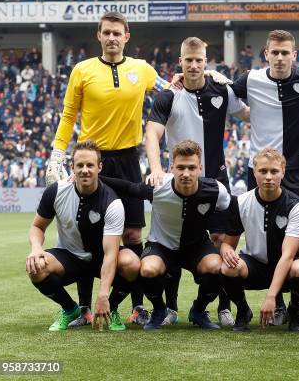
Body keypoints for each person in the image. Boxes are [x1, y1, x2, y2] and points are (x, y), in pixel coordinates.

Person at [46, 12, 170, 327]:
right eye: (107, 33)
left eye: (117, 33)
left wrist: (203, 78)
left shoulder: (141, 69)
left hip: (128, 159)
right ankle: (85, 309)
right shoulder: (82, 70)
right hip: (92, 160)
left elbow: (170, 92)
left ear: (127, 36)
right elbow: (69, 113)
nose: (112, 38)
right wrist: (58, 152)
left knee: (131, 233)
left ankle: (137, 307)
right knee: (88, 237)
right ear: (98, 36)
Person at [230, 30, 299, 325]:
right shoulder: (251, 79)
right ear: (266, 54)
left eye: (284, 52)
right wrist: (245, 114)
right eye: (274, 52)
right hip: (260, 170)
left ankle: (295, 305)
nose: (279, 57)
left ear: (294, 54)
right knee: (262, 238)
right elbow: (224, 94)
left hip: (297, 171)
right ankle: (267, 302)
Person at [145, 36, 249, 327]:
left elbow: (248, 113)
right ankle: (171, 308)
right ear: (180, 61)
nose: (193, 65)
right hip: (179, 181)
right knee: (172, 241)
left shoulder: (221, 90)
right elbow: (151, 134)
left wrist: (229, 81)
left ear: (206, 61)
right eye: (188, 60)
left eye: (199, 60)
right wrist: (156, 170)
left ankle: (223, 307)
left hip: (215, 178)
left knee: (222, 241)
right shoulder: (168, 95)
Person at [99, 140, 231, 330]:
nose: (186, 173)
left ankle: (199, 310)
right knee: (148, 269)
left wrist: (224, 242)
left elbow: (231, 209)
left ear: (200, 168)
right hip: (161, 247)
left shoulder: (215, 189)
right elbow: (128, 188)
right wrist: (97, 177)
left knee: (218, 268)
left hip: (197, 246)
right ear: (171, 168)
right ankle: (159, 309)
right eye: (181, 167)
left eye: (192, 168)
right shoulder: (158, 186)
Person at [26, 140, 140, 331]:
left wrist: (103, 295)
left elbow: (111, 254)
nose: (85, 170)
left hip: (101, 258)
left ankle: (111, 309)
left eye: (90, 165)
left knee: (132, 264)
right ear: (72, 167)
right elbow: (37, 227)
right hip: (70, 257)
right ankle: (70, 309)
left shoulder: (113, 203)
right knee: (35, 267)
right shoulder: (55, 192)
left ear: (99, 167)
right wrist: (36, 248)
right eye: (80, 165)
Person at [220, 148, 299, 332]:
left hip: (285, 268)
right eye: (263, 171)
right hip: (254, 267)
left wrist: (271, 296)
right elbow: (227, 243)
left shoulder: (297, 205)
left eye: (274, 171)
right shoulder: (240, 202)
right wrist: (225, 250)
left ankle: (294, 311)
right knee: (227, 266)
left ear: (283, 172)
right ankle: (243, 310)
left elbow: (288, 256)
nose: (268, 177)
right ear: (254, 173)